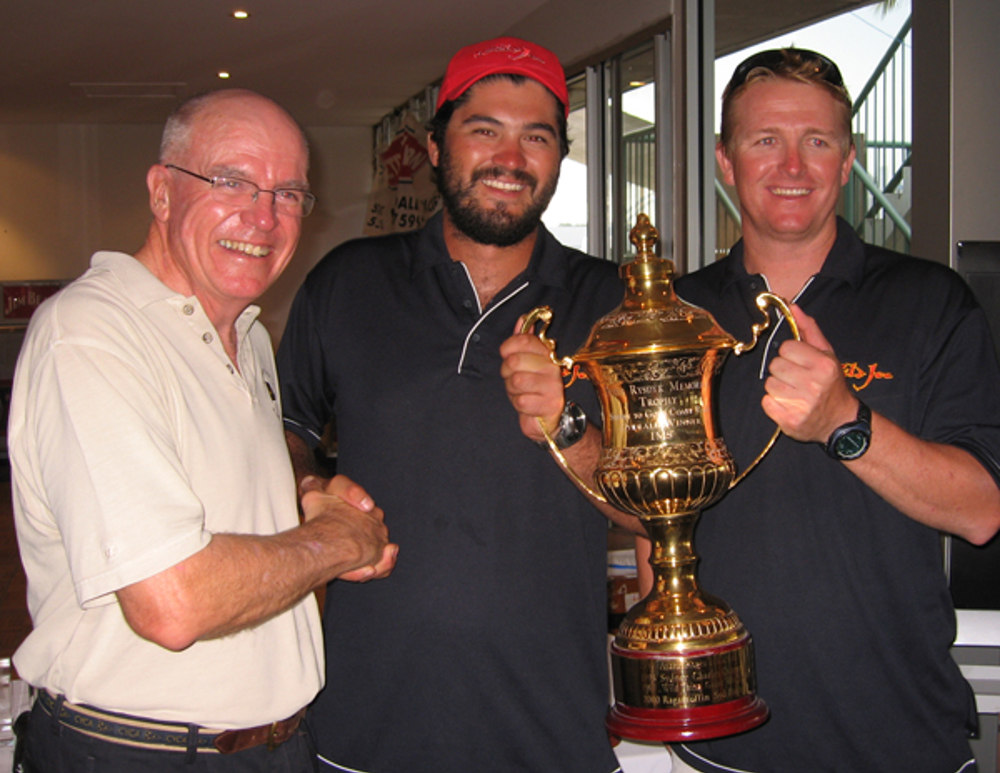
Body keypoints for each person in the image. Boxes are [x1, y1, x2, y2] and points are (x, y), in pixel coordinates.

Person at [626, 49, 1000, 772]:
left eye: (817, 141)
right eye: (765, 140)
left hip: (900, 737)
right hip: (721, 743)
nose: (792, 165)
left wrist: (844, 422)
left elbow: (982, 507)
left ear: (848, 161)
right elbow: (659, 510)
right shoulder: (675, 316)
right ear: (725, 162)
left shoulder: (932, 302)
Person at [278, 36, 644, 773]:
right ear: (436, 142)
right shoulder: (348, 282)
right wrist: (309, 485)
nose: (511, 157)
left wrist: (567, 427)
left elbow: (654, 508)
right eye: (485, 130)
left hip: (550, 728)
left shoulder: (617, 305)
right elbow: (280, 428)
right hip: (361, 720)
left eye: (536, 136)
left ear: (559, 157)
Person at [8, 88, 397, 772]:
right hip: (140, 753)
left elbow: (220, 471)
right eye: (232, 181)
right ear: (162, 192)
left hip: (272, 744)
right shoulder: (94, 334)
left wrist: (305, 489)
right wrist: (336, 538)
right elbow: (173, 600)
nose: (264, 215)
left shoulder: (246, 338)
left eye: (288, 193)